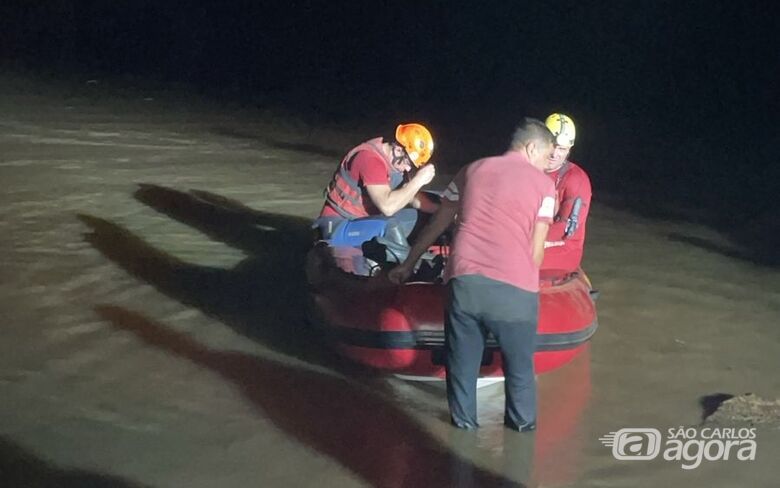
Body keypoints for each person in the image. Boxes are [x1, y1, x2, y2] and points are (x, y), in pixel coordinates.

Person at [389, 118, 556, 431]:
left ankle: (461, 442)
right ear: (532, 147)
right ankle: (518, 447)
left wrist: (409, 263)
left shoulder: (472, 170)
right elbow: (536, 252)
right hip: (514, 291)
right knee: (520, 373)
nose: (547, 166)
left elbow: (439, 221)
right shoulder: (545, 186)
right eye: (547, 157)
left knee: (462, 370)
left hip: (464, 283)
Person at [313, 123, 438, 241]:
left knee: (423, 217)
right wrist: (418, 180)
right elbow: (388, 207)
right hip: (338, 225)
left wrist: (443, 211)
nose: (408, 168)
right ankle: (408, 262)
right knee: (390, 226)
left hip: (366, 222)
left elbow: (412, 197)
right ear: (398, 150)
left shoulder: (397, 165)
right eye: (408, 162)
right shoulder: (369, 160)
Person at [540, 113, 592, 273]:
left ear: (569, 149)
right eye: (552, 145)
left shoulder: (576, 179)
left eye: (562, 149)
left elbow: (566, 228)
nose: (555, 154)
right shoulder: (527, 169)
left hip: (561, 248)